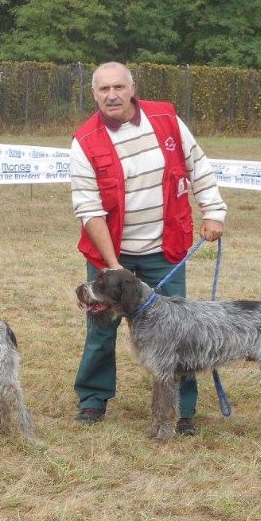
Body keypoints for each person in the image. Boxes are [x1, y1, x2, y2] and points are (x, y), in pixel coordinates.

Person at [70, 61, 227, 435]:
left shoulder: (166, 119)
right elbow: (89, 210)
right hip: (112, 254)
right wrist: (113, 268)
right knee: (101, 328)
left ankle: (183, 411)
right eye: (103, 89)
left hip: (163, 249)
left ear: (132, 88)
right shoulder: (84, 140)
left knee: (182, 331)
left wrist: (214, 211)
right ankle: (93, 399)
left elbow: (198, 166)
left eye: (118, 87)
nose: (112, 95)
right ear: (94, 94)